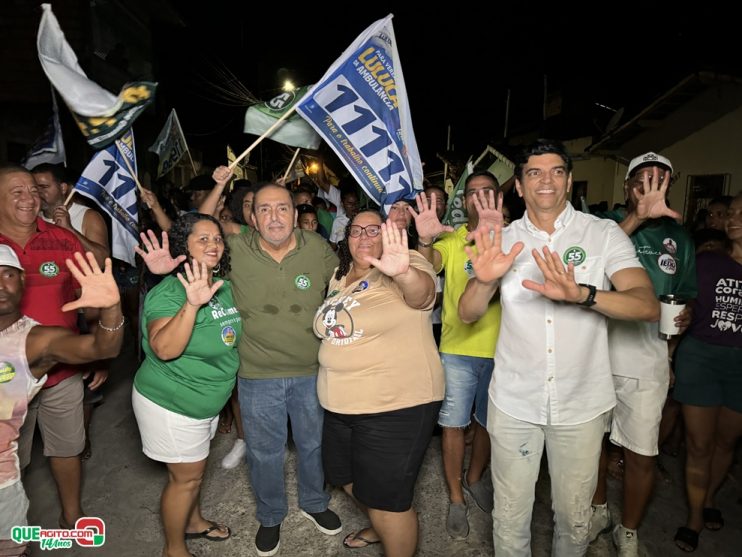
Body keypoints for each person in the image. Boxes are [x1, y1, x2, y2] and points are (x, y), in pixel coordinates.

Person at [457, 139, 660, 557]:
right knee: (509, 517)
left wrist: (583, 294)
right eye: (534, 172)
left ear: (568, 181)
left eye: (555, 172)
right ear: (519, 185)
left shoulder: (602, 233)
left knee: (574, 520)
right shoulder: (503, 238)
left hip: (581, 404)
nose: (545, 181)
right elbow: (467, 313)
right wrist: (485, 280)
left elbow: (646, 305)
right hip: (515, 403)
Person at [199, 167, 341, 557]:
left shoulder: (318, 248)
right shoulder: (236, 248)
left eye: (282, 208)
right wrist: (220, 184)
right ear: (252, 216)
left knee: (313, 444)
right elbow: (200, 226)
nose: (274, 217)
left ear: (295, 214)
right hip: (257, 375)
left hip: (312, 371)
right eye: (264, 210)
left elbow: (348, 289)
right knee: (265, 451)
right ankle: (270, 514)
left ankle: (314, 502)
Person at [315, 211, 443, 555]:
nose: (364, 237)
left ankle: (389, 527)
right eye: (356, 230)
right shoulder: (340, 275)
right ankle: (381, 526)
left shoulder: (409, 262)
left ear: (389, 234)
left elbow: (423, 295)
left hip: (396, 405)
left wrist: (403, 272)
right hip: (341, 404)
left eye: (374, 229)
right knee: (342, 475)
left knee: (389, 500)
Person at [588, 152, 697, 556]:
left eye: (659, 180)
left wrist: (686, 320)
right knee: (592, 446)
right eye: (641, 179)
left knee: (641, 453)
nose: (648, 186)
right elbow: (586, 272)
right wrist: (636, 218)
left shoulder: (680, 237)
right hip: (596, 354)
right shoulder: (603, 225)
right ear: (627, 185)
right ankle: (598, 509)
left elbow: (686, 297)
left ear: (669, 185)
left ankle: (628, 530)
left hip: (648, 359)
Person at [0, 246, 124, 557]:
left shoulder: (35, 340)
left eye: (8, 274)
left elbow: (102, 347)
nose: (0, 285)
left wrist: (111, 307)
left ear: (23, 282)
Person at [132, 213, 241, 557]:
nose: (213, 245)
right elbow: (165, 349)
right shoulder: (169, 292)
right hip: (173, 403)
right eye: (203, 239)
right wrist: (192, 304)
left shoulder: (222, 284)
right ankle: (174, 549)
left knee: (194, 471)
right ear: (184, 246)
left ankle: (193, 522)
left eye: (218, 239)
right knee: (186, 479)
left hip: (205, 401)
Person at [413, 172, 504, 539]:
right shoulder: (451, 240)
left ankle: (475, 476)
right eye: (472, 194)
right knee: (453, 426)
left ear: (499, 198)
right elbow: (426, 264)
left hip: (503, 351)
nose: (479, 199)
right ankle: (455, 497)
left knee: (486, 423)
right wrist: (423, 238)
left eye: (487, 192)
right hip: (455, 350)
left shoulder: (511, 237)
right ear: (463, 201)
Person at [0, 164, 87, 531]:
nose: (30, 197)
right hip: (5, 377)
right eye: (17, 191)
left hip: (61, 369)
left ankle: (72, 516)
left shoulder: (63, 239)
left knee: (67, 448)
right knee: (8, 457)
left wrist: (96, 355)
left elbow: (90, 295)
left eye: (33, 190)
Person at [672, 193, 742, 552]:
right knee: (699, 445)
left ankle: (711, 496)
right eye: (731, 213)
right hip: (700, 356)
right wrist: (685, 313)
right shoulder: (708, 261)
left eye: (740, 214)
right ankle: (696, 515)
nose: (732, 219)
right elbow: (691, 302)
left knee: (726, 442)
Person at [31, 162, 112, 461]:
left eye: (43, 185)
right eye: (33, 186)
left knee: (84, 382)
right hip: (49, 312)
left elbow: (103, 259)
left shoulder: (86, 216)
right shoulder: (31, 218)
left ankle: (80, 440)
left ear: (63, 188)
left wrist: (67, 230)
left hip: (82, 307)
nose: (37, 192)